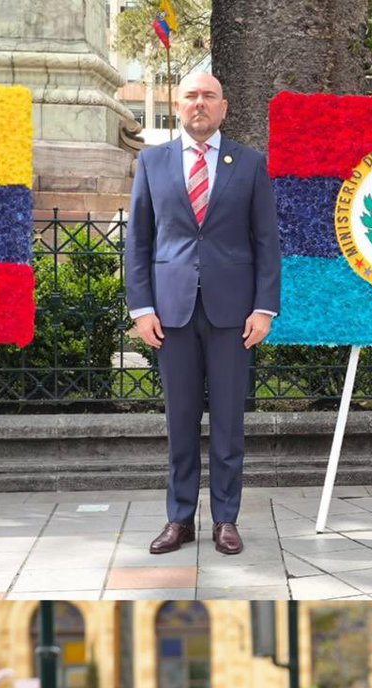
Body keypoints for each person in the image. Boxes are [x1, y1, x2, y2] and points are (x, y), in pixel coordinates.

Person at [126, 72, 281, 558]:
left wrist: (264, 307)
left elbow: (266, 242)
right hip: (170, 313)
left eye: (209, 96)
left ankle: (226, 520)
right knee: (180, 420)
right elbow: (140, 241)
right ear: (178, 106)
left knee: (230, 421)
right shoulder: (151, 162)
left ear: (223, 107)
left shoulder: (250, 164)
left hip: (234, 315)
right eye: (191, 96)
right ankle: (179, 518)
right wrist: (141, 306)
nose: (200, 103)